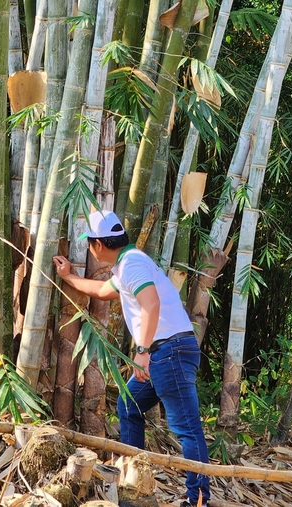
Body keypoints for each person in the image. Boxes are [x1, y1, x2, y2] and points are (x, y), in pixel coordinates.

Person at [52, 210, 210, 507]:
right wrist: (69, 276)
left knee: (186, 426)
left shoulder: (132, 264)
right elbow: (100, 290)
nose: (89, 248)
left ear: (99, 244)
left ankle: (198, 499)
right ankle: (133, 484)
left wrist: (143, 352)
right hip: (166, 349)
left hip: (169, 350)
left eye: (89, 243)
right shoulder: (126, 264)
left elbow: (151, 304)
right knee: (129, 405)